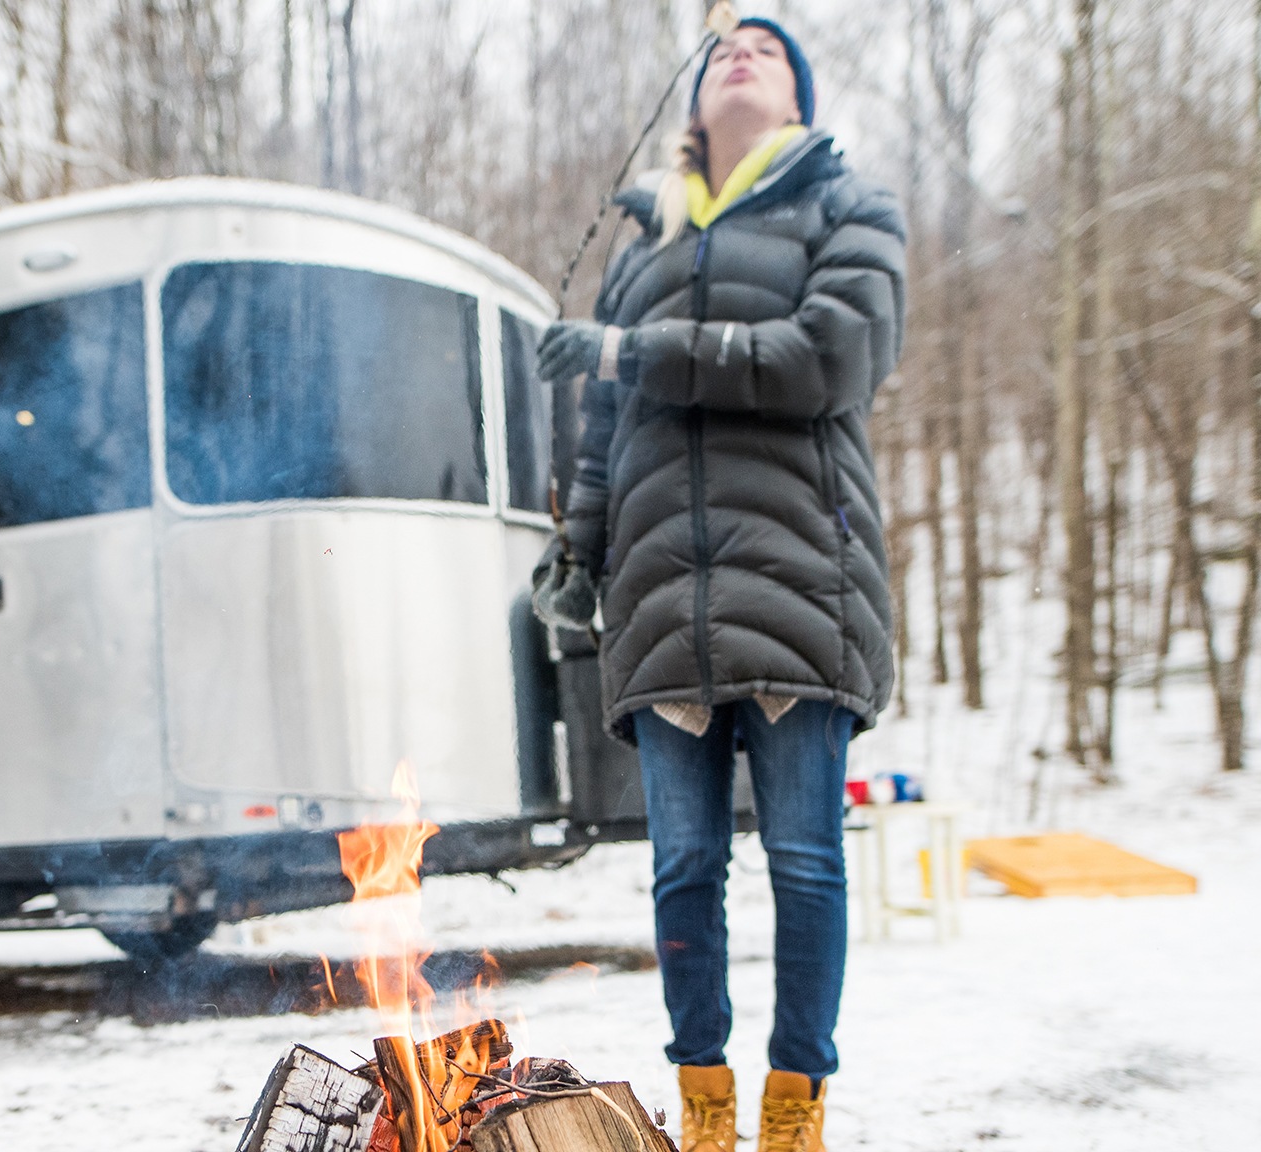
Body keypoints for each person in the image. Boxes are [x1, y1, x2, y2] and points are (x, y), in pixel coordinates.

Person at [531, 16, 906, 1152]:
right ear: (691, 107)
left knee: (802, 859)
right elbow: (605, 427)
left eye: (766, 48)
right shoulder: (637, 246)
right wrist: (577, 548)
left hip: (801, 576)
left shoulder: (848, 209)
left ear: (796, 102)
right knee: (683, 867)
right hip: (657, 593)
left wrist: (632, 349)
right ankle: (703, 1104)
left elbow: (825, 360)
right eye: (718, 52)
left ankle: (793, 1111)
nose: (737, 52)